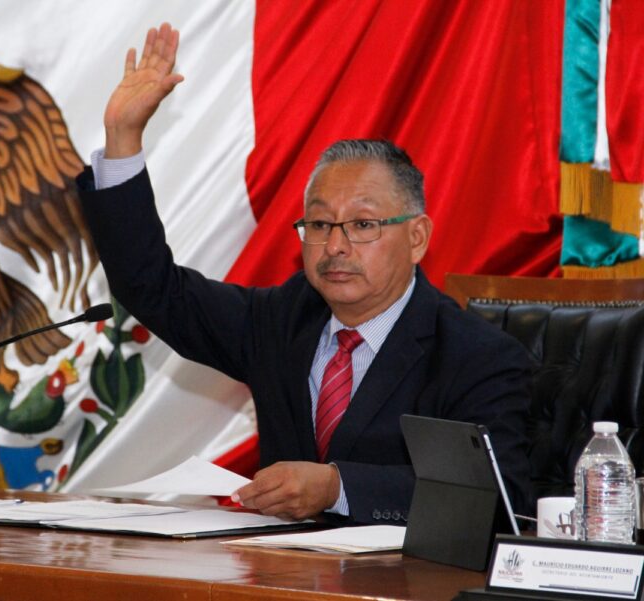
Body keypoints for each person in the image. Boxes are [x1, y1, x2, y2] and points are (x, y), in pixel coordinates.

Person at [77, 23, 532, 524]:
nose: (335, 245)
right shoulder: (279, 320)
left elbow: (497, 497)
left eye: (362, 224)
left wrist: (338, 487)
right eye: (319, 223)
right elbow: (150, 284)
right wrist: (122, 138)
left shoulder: (476, 355)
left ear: (418, 237)